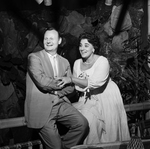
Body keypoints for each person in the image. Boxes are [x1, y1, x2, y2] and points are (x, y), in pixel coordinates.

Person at [57, 32, 131, 144]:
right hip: (88, 98)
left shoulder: (102, 61)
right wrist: (62, 95)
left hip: (106, 97)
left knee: (109, 132)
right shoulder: (77, 63)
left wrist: (72, 79)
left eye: (86, 45)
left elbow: (95, 83)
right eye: (80, 45)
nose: (82, 48)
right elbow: (78, 87)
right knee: (90, 127)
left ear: (94, 48)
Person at [24, 27, 89, 149]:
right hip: (42, 109)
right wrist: (62, 82)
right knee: (55, 146)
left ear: (59, 41)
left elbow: (70, 88)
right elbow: (42, 82)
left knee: (82, 124)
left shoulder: (64, 62)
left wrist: (58, 93)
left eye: (52, 38)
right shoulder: (34, 57)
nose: (48, 41)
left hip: (60, 103)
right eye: (46, 38)